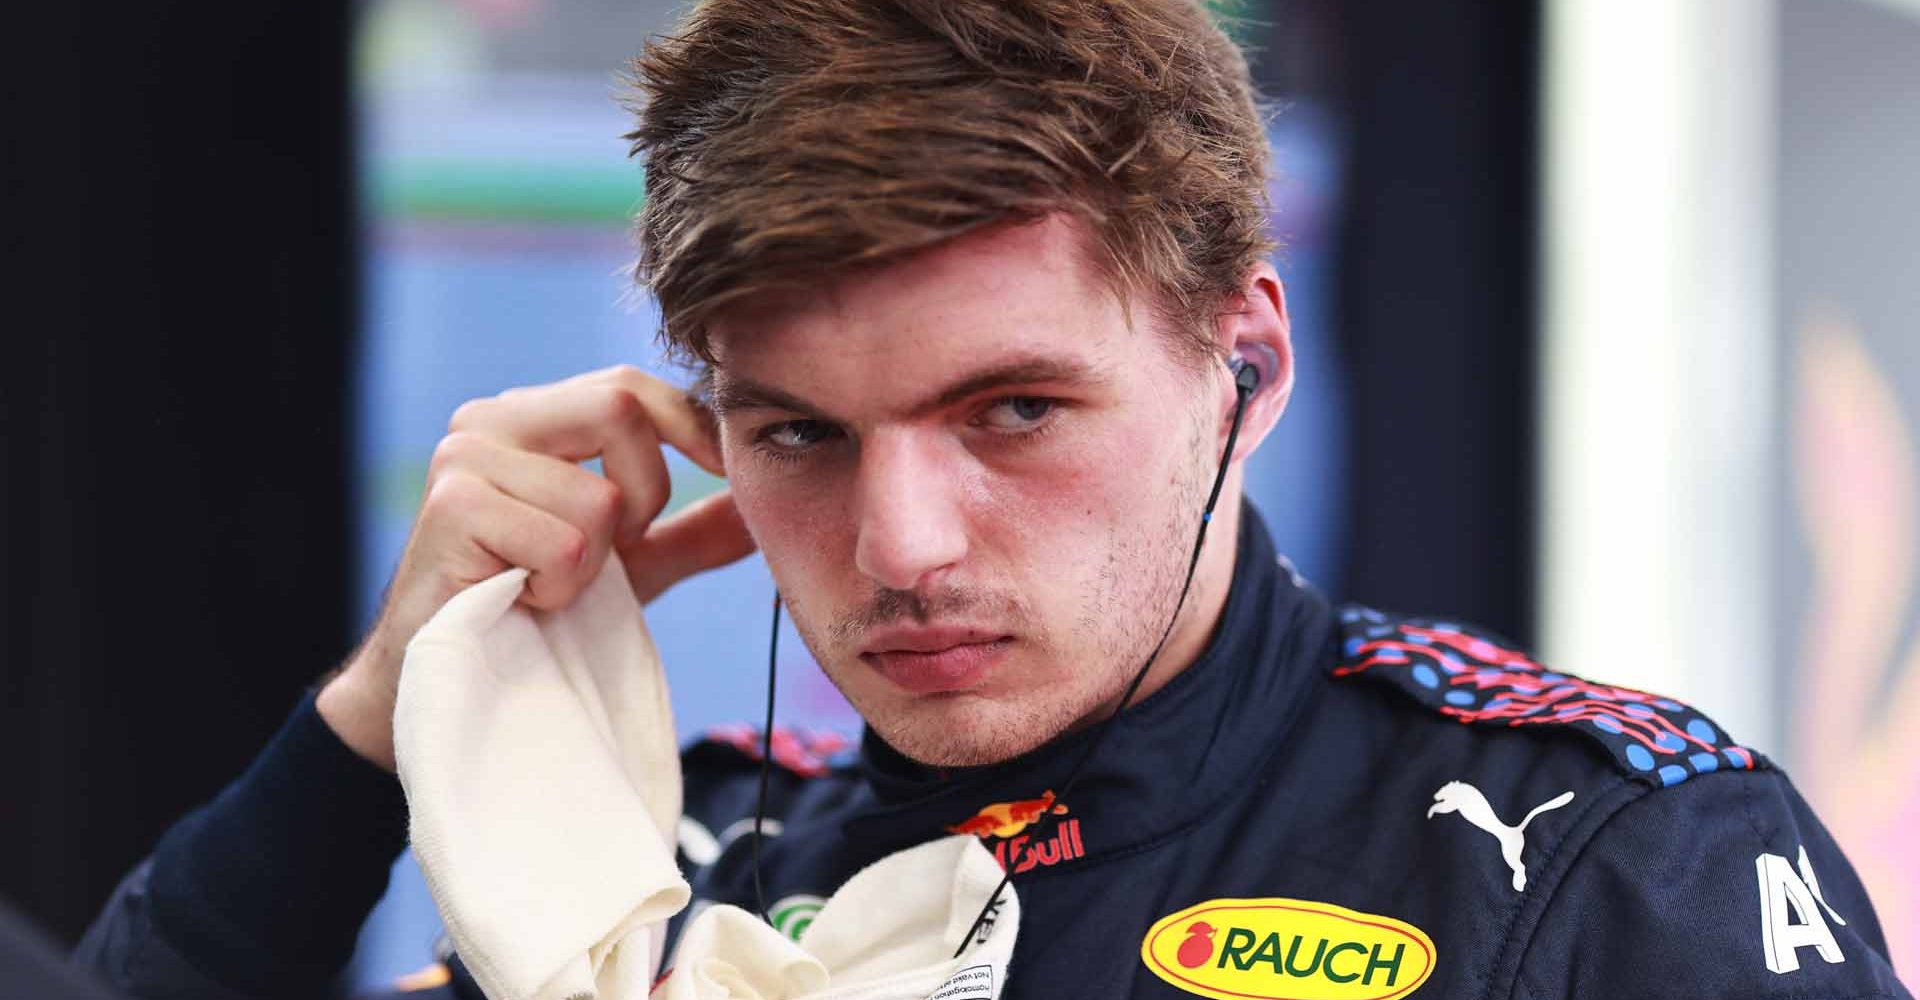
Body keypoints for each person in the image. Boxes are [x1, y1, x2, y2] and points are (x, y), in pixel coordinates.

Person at [74, 1, 1911, 998]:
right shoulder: (664, 880)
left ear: (1243, 364)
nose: (902, 548)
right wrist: (383, 715)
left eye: (1014, 409)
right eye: (798, 432)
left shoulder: (1610, 865)